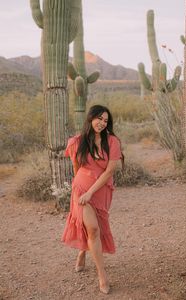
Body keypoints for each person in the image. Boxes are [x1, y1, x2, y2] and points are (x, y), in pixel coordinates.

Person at [62, 104, 123, 294]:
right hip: (81, 190)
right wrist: (81, 190)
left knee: (94, 229)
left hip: (102, 190)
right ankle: (102, 275)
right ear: (91, 118)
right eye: (99, 119)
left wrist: (92, 191)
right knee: (94, 229)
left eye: (106, 121)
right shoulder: (77, 142)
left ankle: (82, 252)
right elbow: (76, 167)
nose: (103, 123)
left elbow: (110, 170)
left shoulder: (112, 142)